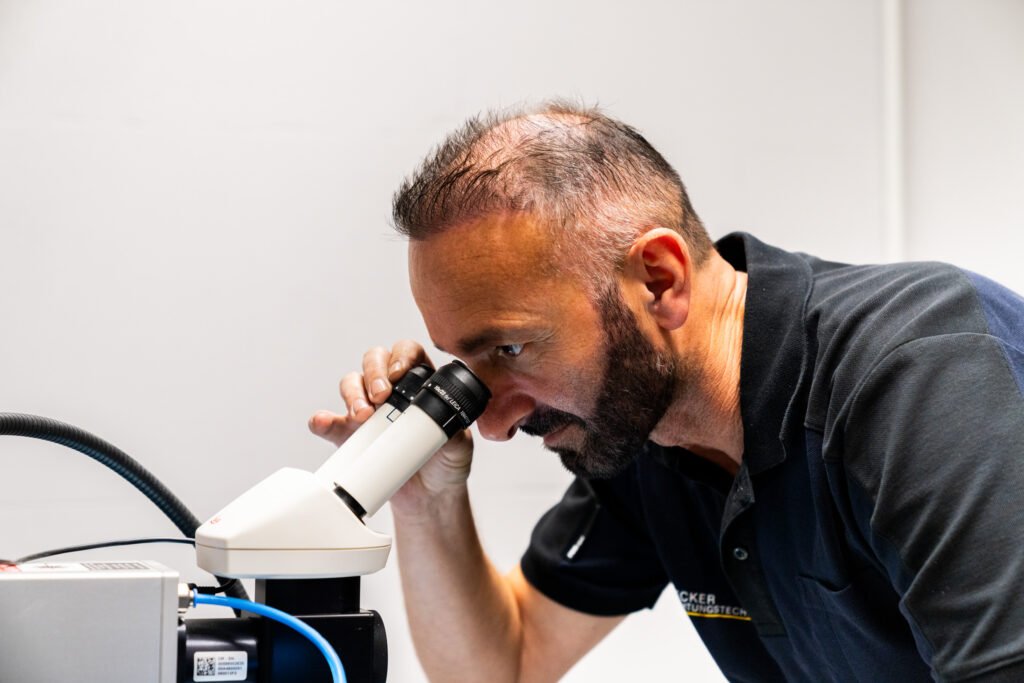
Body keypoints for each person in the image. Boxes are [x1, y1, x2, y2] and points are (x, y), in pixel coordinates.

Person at [309, 101, 1024, 682]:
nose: (492, 425)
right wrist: (426, 499)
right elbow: (504, 664)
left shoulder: (917, 375)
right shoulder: (652, 432)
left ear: (659, 280)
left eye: (512, 348)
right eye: (467, 367)